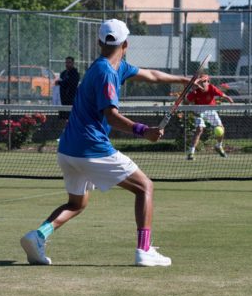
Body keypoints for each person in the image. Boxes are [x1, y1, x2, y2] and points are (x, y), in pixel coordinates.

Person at [20, 19, 194, 267]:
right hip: (91, 149)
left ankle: (38, 236)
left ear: (100, 42)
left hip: (68, 150)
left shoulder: (112, 67)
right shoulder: (106, 73)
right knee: (145, 187)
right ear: (126, 43)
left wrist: (183, 79)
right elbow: (111, 116)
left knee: (77, 203)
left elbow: (152, 75)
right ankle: (144, 250)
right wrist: (143, 131)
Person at [186, 75, 233, 161]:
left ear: (208, 82)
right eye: (201, 82)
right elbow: (186, 102)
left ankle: (219, 146)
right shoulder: (195, 91)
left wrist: (228, 98)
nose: (203, 83)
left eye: (205, 81)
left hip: (211, 110)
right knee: (199, 129)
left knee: (221, 128)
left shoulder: (212, 88)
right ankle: (191, 153)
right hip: (199, 111)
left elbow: (223, 94)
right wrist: (192, 108)